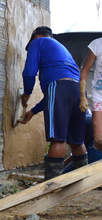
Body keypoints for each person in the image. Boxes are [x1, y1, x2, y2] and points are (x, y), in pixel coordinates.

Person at [19, 26, 88, 180]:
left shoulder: (38, 42)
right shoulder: (62, 50)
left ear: (36, 36)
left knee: (58, 138)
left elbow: (29, 72)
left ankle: (51, 185)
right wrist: (33, 111)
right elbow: (55, 95)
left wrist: (26, 94)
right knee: (77, 141)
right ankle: (83, 181)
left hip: (59, 88)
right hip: (79, 92)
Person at [79, 36, 102, 151]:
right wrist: (83, 97)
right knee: (98, 140)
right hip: (99, 96)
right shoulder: (97, 44)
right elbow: (84, 71)